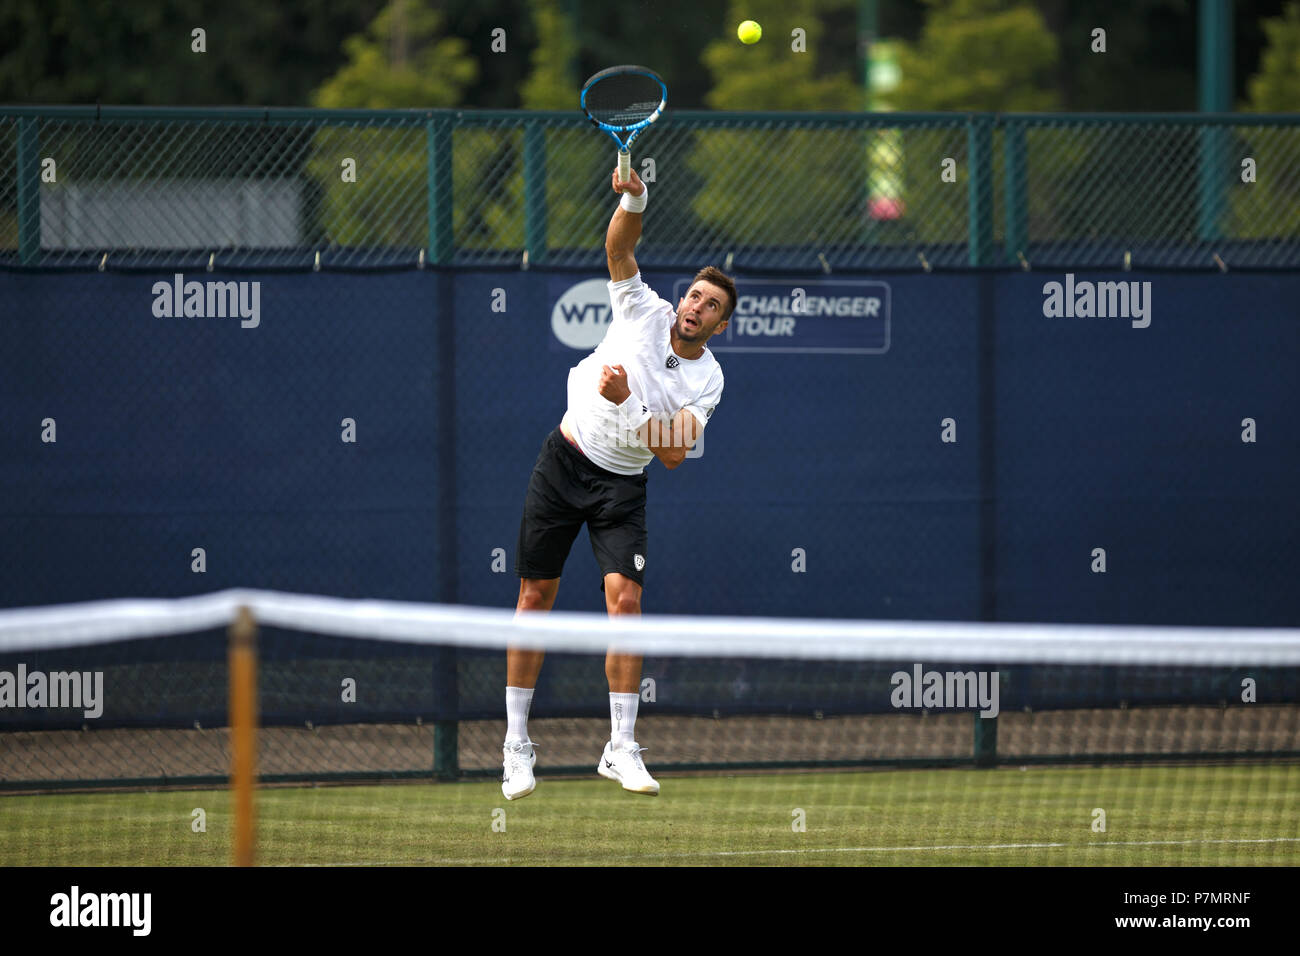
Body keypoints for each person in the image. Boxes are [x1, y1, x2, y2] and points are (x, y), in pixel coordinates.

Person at [502, 166, 735, 800]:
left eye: (711, 305)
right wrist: (636, 195)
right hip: (565, 460)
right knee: (534, 599)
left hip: (621, 486)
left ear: (721, 325)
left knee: (625, 606)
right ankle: (516, 746)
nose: (695, 306)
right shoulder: (641, 307)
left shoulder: (708, 380)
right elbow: (619, 248)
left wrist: (630, 402)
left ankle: (621, 747)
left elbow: (675, 454)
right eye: (693, 295)